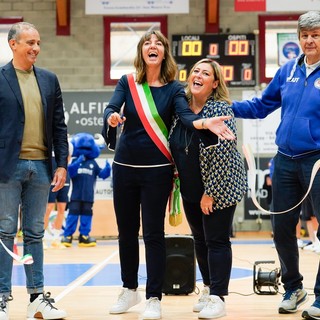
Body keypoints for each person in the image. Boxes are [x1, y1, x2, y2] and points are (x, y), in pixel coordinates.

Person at [102, 30, 235, 320]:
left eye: (158, 43)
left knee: (153, 234)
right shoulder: (127, 82)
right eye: (147, 43)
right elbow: (112, 107)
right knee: (125, 232)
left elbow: (186, 119)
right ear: (141, 52)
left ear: (164, 53)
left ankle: (153, 297)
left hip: (157, 171)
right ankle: (128, 288)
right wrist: (111, 117)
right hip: (124, 167)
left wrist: (204, 123)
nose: (153, 46)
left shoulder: (175, 89)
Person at [231, 10, 320, 319]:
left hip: (318, 162)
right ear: (299, 39)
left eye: (316, 35)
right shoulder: (287, 71)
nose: (309, 40)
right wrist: (225, 107)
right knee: (281, 228)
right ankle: (293, 287)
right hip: (284, 161)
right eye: (305, 35)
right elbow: (261, 106)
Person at [168, 58, 247, 319]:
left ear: (215, 84)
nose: (198, 75)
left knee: (216, 240)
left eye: (205, 73)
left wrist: (209, 192)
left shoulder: (220, 110)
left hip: (219, 187)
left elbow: (223, 155)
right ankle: (209, 288)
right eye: (195, 71)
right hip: (191, 188)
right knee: (199, 241)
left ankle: (219, 297)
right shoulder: (181, 112)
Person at [0, 22, 68, 320]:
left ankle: (37, 299)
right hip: (7, 168)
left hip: (41, 167)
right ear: (12, 44)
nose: (35, 48)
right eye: (29, 42)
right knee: (4, 232)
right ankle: (1, 298)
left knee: (35, 234)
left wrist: (62, 164)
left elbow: (59, 126)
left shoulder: (50, 80)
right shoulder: (0, 78)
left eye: (38, 42)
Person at [61, 133, 111, 247]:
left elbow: (102, 175)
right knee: (72, 215)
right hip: (75, 196)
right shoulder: (74, 161)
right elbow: (71, 172)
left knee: (87, 215)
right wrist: (77, 161)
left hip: (88, 197)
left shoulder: (93, 163)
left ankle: (84, 237)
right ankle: (67, 236)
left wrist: (107, 169)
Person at [43, 150, 71, 249]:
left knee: (62, 208)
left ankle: (56, 238)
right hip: (52, 176)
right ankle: (42, 238)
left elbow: (68, 159)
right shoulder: (49, 140)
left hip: (64, 176)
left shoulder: (68, 144)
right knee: (48, 207)